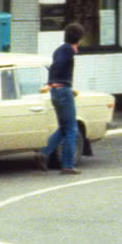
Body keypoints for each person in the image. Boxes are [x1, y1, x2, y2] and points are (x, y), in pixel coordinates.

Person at [34, 22, 86, 175]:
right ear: (79, 38)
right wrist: (59, 83)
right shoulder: (68, 50)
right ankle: (67, 165)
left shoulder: (59, 50)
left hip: (57, 92)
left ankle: (43, 153)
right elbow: (59, 65)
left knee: (63, 127)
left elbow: (54, 68)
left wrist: (53, 84)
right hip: (63, 91)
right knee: (71, 128)